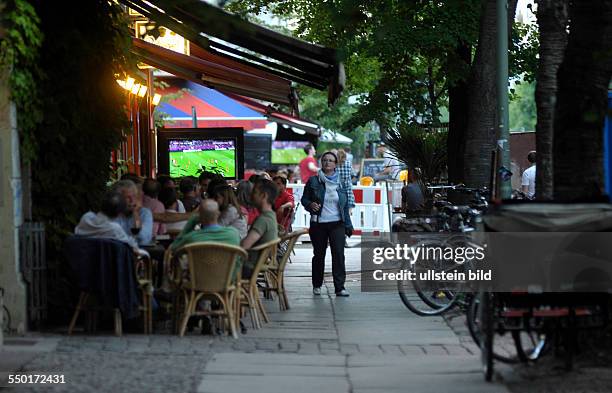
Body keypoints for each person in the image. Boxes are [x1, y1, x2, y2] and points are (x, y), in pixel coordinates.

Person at [301, 151, 353, 297]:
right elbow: (304, 199)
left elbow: (345, 205)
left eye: (330, 160)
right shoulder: (313, 180)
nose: (327, 163)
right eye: (325, 160)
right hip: (319, 224)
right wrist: (310, 204)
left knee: (338, 255)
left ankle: (340, 287)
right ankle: (317, 285)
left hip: (337, 223)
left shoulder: (341, 181)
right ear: (321, 162)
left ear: (335, 164)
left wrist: (348, 225)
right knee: (319, 255)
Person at [75, 189, 142, 253]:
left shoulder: (86, 218)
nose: (131, 200)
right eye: (128, 197)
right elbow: (134, 247)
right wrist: (136, 213)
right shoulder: (114, 228)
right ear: (119, 213)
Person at [241, 179, 279, 278]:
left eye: (254, 192)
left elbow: (244, 246)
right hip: (254, 266)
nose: (251, 195)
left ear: (264, 196)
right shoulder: (271, 216)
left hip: (246, 268)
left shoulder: (263, 220)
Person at [171, 199, 240, 251]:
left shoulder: (192, 238)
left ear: (199, 217)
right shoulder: (233, 234)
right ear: (218, 214)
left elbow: (174, 248)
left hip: (197, 270)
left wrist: (191, 222)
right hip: (227, 270)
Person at [112, 179, 154, 246]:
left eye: (134, 196)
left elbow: (143, 239)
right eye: (127, 197)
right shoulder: (112, 214)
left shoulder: (145, 213)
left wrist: (135, 213)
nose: (132, 200)